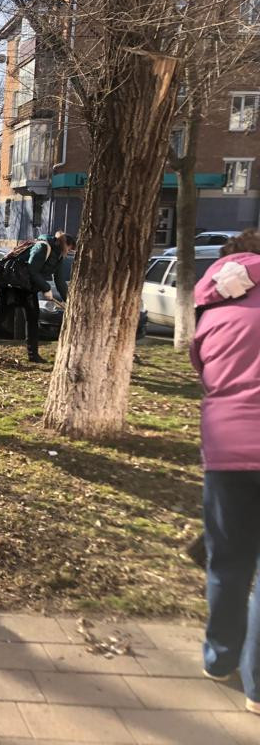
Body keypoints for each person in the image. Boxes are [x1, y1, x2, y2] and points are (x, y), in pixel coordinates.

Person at [191, 228, 260, 714]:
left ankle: (219, 660)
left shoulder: (212, 308)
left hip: (227, 446)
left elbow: (203, 367)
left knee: (228, 562)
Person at [0, 231, 74, 364]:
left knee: (33, 318)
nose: (69, 252)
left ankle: (33, 355)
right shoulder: (43, 247)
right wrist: (46, 288)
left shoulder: (59, 256)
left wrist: (69, 301)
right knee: (0, 315)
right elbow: (31, 269)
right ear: (65, 245)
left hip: (28, 287)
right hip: (11, 285)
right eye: (70, 249)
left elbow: (59, 281)